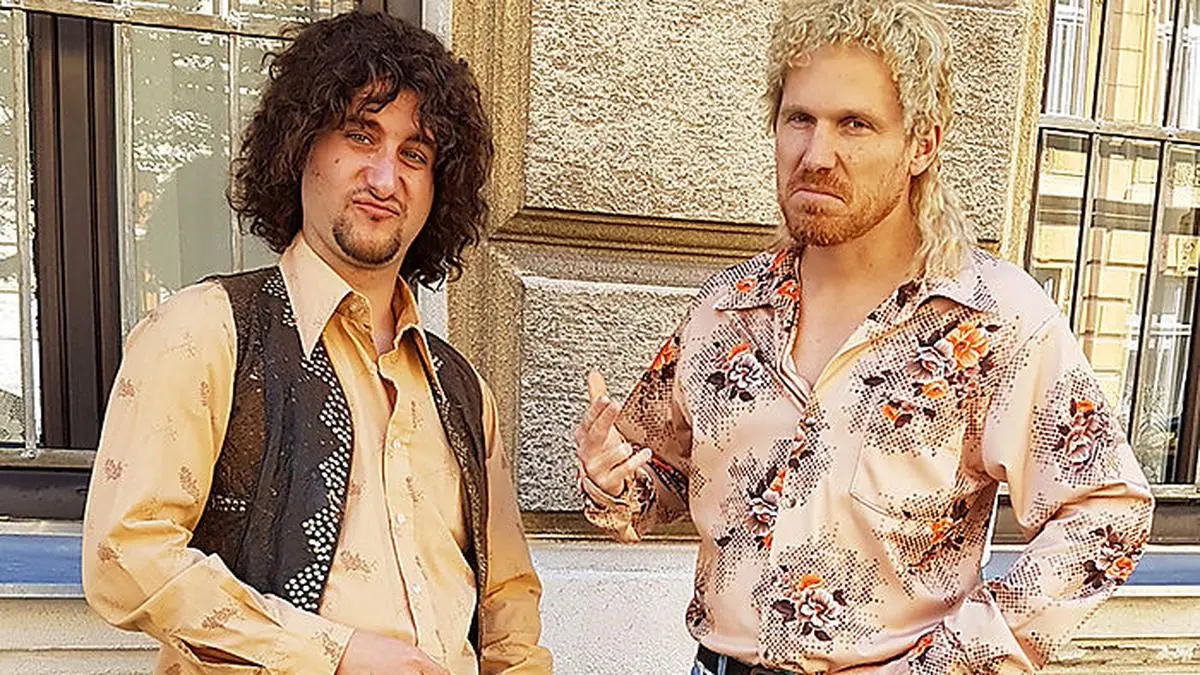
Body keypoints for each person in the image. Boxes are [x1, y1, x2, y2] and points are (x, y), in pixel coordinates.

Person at [575, 0, 1153, 672]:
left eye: (855, 124)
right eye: (800, 119)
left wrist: (957, 660)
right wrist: (614, 480)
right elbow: (664, 474)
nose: (817, 155)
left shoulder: (994, 321)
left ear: (921, 144)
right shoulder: (724, 310)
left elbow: (1107, 514)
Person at [82, 12, 551, 675]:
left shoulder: (461, 389)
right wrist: (333, 653)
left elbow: (509, 608)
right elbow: (127, 558)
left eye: (414, 154)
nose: (385, 179)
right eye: (361, 136)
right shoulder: (205, 331)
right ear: (301, 146)